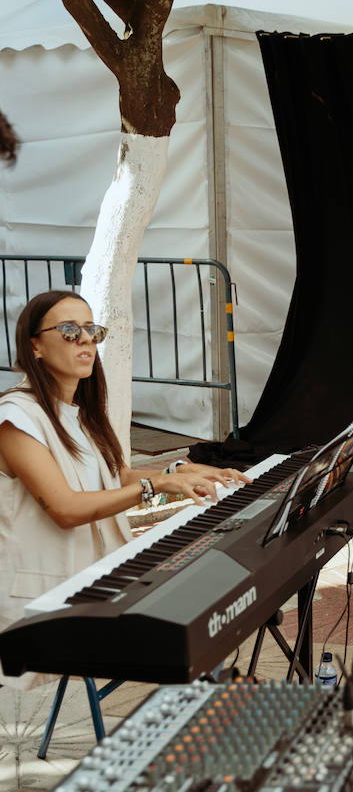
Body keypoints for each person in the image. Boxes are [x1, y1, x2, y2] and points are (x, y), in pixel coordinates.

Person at [0, 290, 246, 688]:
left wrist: (178, 471)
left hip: (95, 582)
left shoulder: (79, 413)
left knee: (204, 609)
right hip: (46, 602)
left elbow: (111, 476)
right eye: (68, 330)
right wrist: (156, 484)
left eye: (91, 330)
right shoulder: (16, 418)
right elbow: (65, 508)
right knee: (184, 636)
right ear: (35, 346)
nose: (85, 340)